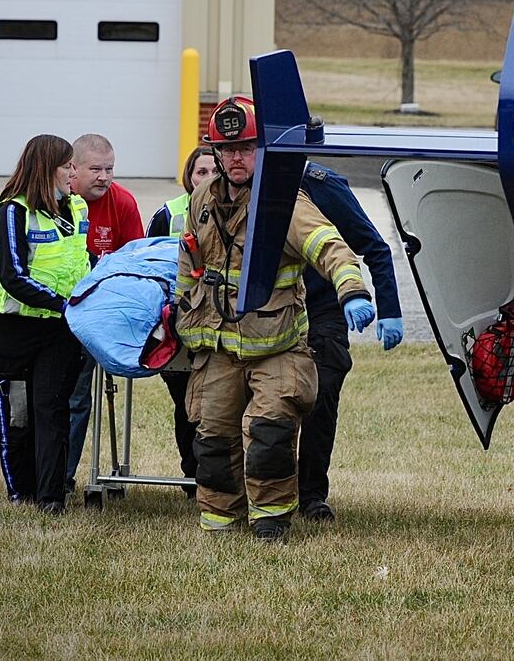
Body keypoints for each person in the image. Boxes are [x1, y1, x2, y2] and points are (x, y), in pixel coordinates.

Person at [176, 96, 375, 540]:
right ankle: (221, 523)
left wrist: (352, 292)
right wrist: (180, 311)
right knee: (212, 441)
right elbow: (188, 260)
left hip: (277, 345)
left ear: (262, 149)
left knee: (269, 434)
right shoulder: (202, 200)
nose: (236, 158)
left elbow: (330, 246)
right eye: (227, 150)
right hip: (218, 346)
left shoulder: (283, 202)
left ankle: (271, 523)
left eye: (246, 148)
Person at [0, 134, 89, 512]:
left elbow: (81, 265)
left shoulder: (77, 209)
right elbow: (13, 277)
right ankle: (21, 493)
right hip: (13, 329)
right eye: (68, 165)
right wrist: (64, 305)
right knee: (18, 415)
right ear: (46, 169)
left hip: (59, 329)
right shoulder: (11, 212)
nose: (74, 173)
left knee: (52, 407)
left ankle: (52, 496)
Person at [297, 161, 405, 523]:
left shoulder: (322, 185)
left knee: (320, 399)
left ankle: (311, 496)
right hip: (271, 313)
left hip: (323, 311)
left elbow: (374, 247)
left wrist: (388, 309)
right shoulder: (244, 184)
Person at [62, 132, 146, 491]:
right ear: (73, 169)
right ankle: (50, 473)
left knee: (80, 398)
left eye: (109, 169)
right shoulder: (59, 202)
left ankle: (64, 477)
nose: (104, 177)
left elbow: (137, 263)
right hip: (56, 312)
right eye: (95, 169)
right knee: (58, 397)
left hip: (101, 317)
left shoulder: (122, 202)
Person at [146, 144, 220, 493]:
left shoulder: (236, 211)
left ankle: (216, 475)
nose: (207, 178)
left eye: (213, 171)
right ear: (188, 177)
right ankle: (193, 475)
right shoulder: (168, 215)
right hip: (178, 326)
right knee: (187, 404)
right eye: (200, 171)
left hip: (221, 324)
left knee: (216, 405)